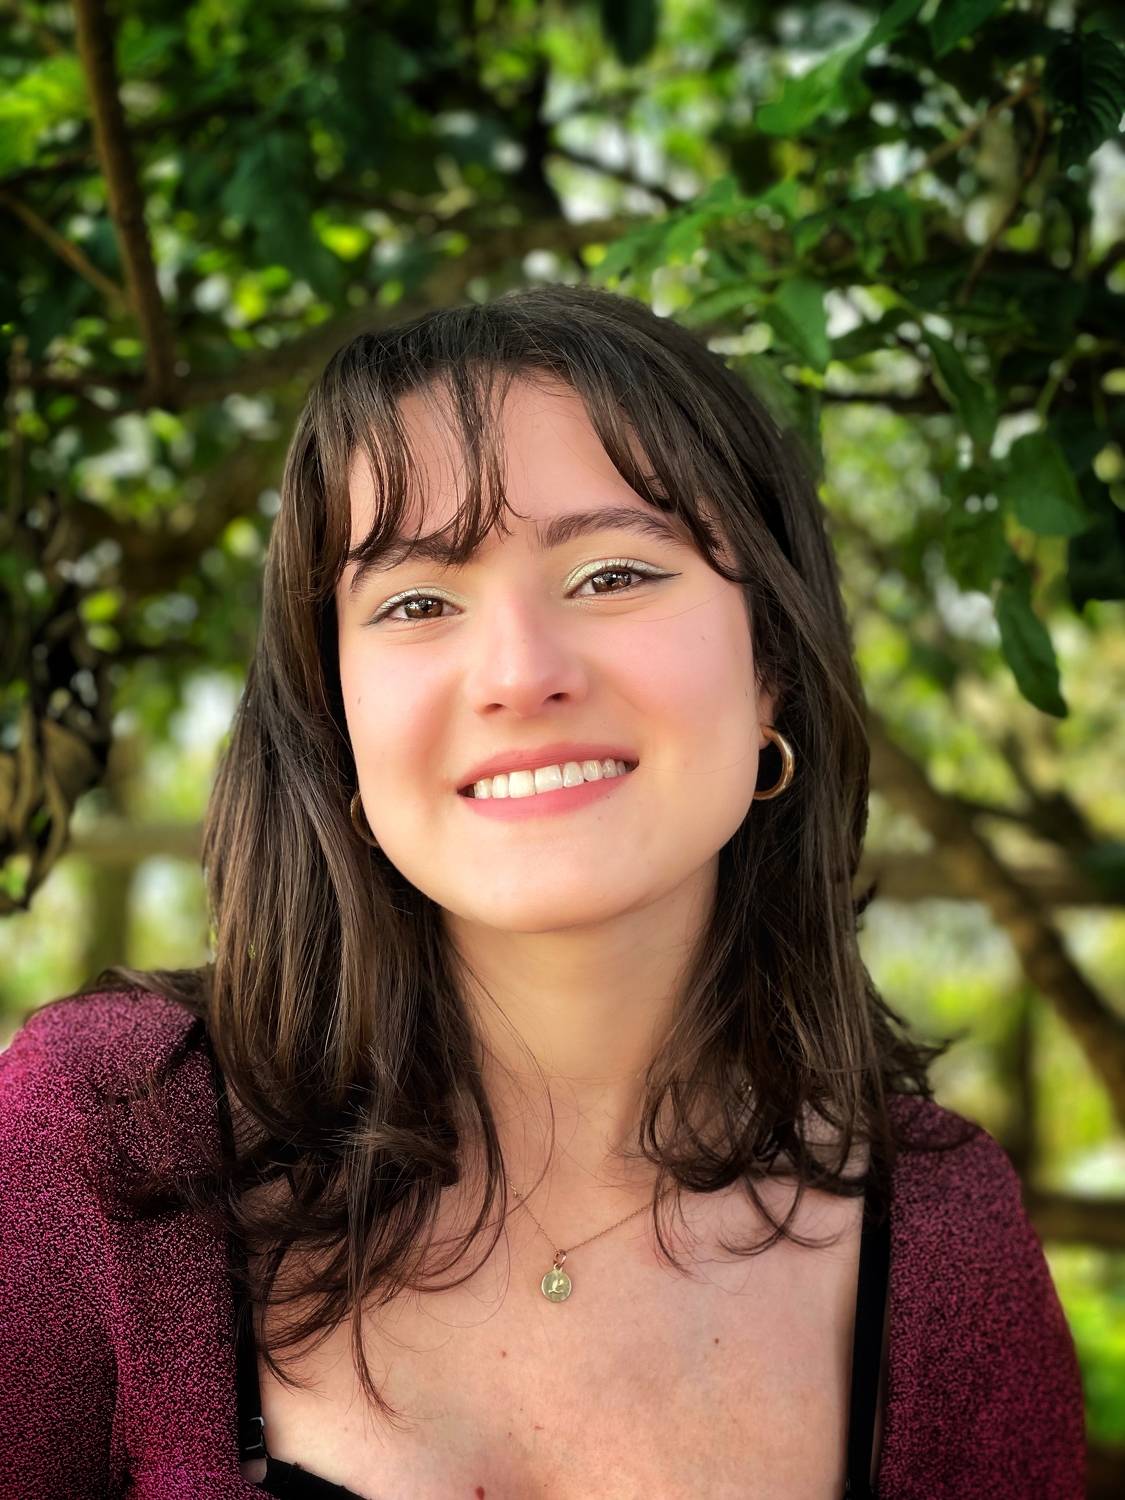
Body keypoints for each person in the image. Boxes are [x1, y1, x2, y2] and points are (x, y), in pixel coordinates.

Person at [0, 285, 1085, 1499]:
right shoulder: (108, 1139)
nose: (520, 675)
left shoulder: (941, 1243)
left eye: (613, 574)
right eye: (417, 603)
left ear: (770, 665)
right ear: (335, 714)